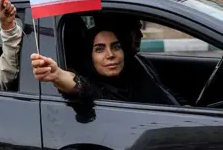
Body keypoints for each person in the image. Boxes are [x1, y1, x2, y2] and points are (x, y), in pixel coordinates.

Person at [32, 25, 180, 105]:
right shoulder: (97, 89)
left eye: (116, 47)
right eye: (100, 49)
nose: (110, 54)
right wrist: (57, 75)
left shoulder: (137, 74)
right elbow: (80, 85)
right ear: (90, 57)